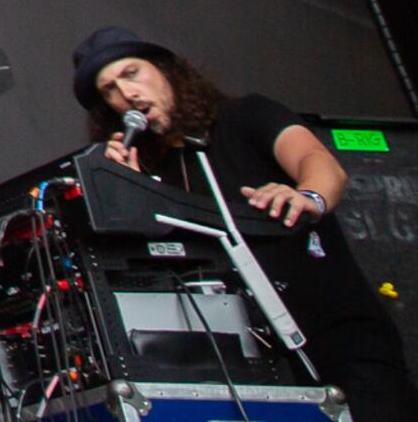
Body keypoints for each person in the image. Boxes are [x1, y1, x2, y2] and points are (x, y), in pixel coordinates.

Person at [77, 26, 414, 422]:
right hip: (254, 356)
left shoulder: (245, 116)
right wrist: (128, 191)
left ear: (166, 70)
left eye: (131, 73)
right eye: (109, 90)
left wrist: (308, 197)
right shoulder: (155, 172)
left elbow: (319, 163)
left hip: (339, 336)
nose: (126, 94)